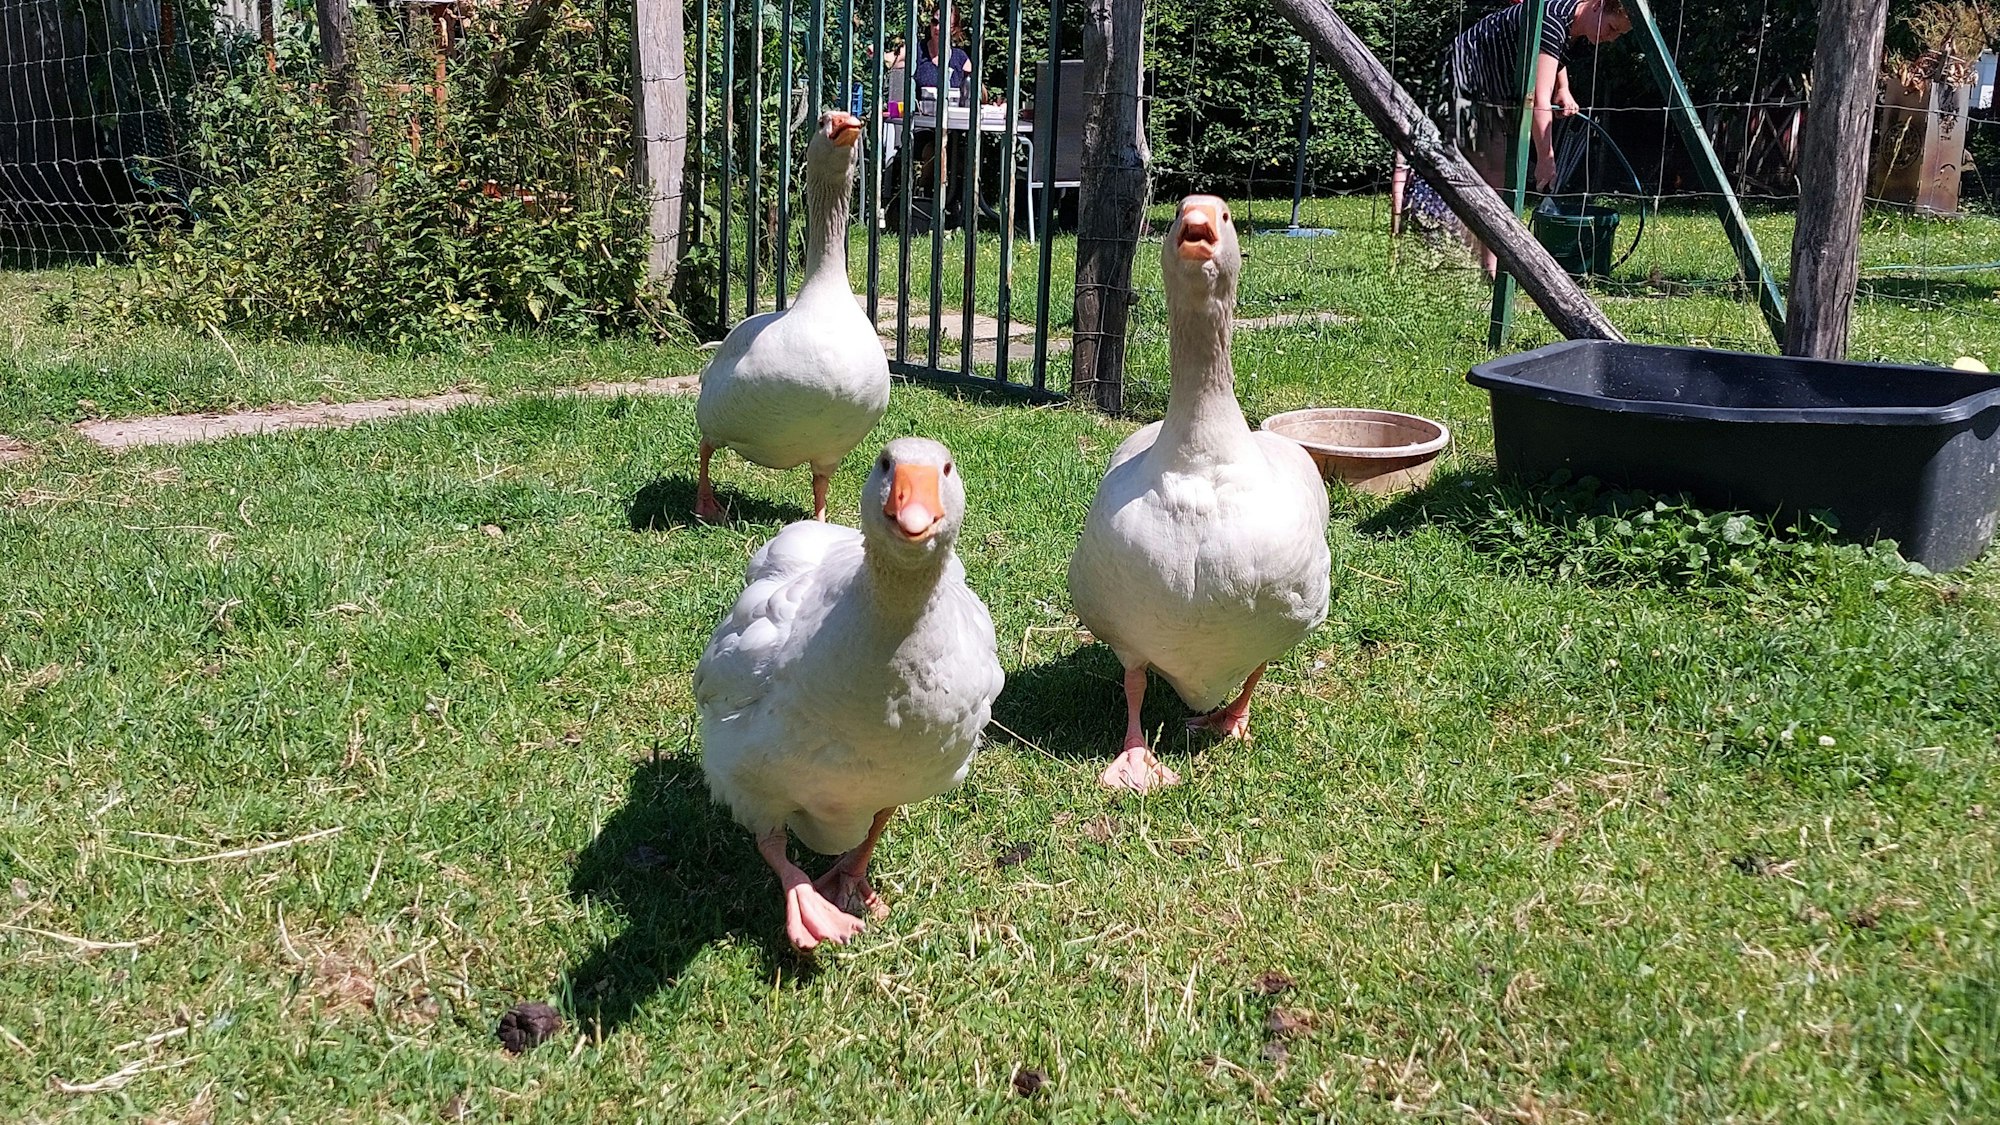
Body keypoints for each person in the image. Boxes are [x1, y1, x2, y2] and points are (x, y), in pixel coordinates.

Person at [1394, 0, 1632, 276]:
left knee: (1495, 179)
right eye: (1612, 28)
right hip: (1467, 77)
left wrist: (1563, 88)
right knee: (1491, 175)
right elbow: (1537, 99)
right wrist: (1546, 158)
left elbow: (1553, 59)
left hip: (1494, 88)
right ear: (1598, 6)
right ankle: (1485, 267)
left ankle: (1485, 263)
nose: (1611, 39)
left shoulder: (1573, 27)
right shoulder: (1552, 20)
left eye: (1618, 34)